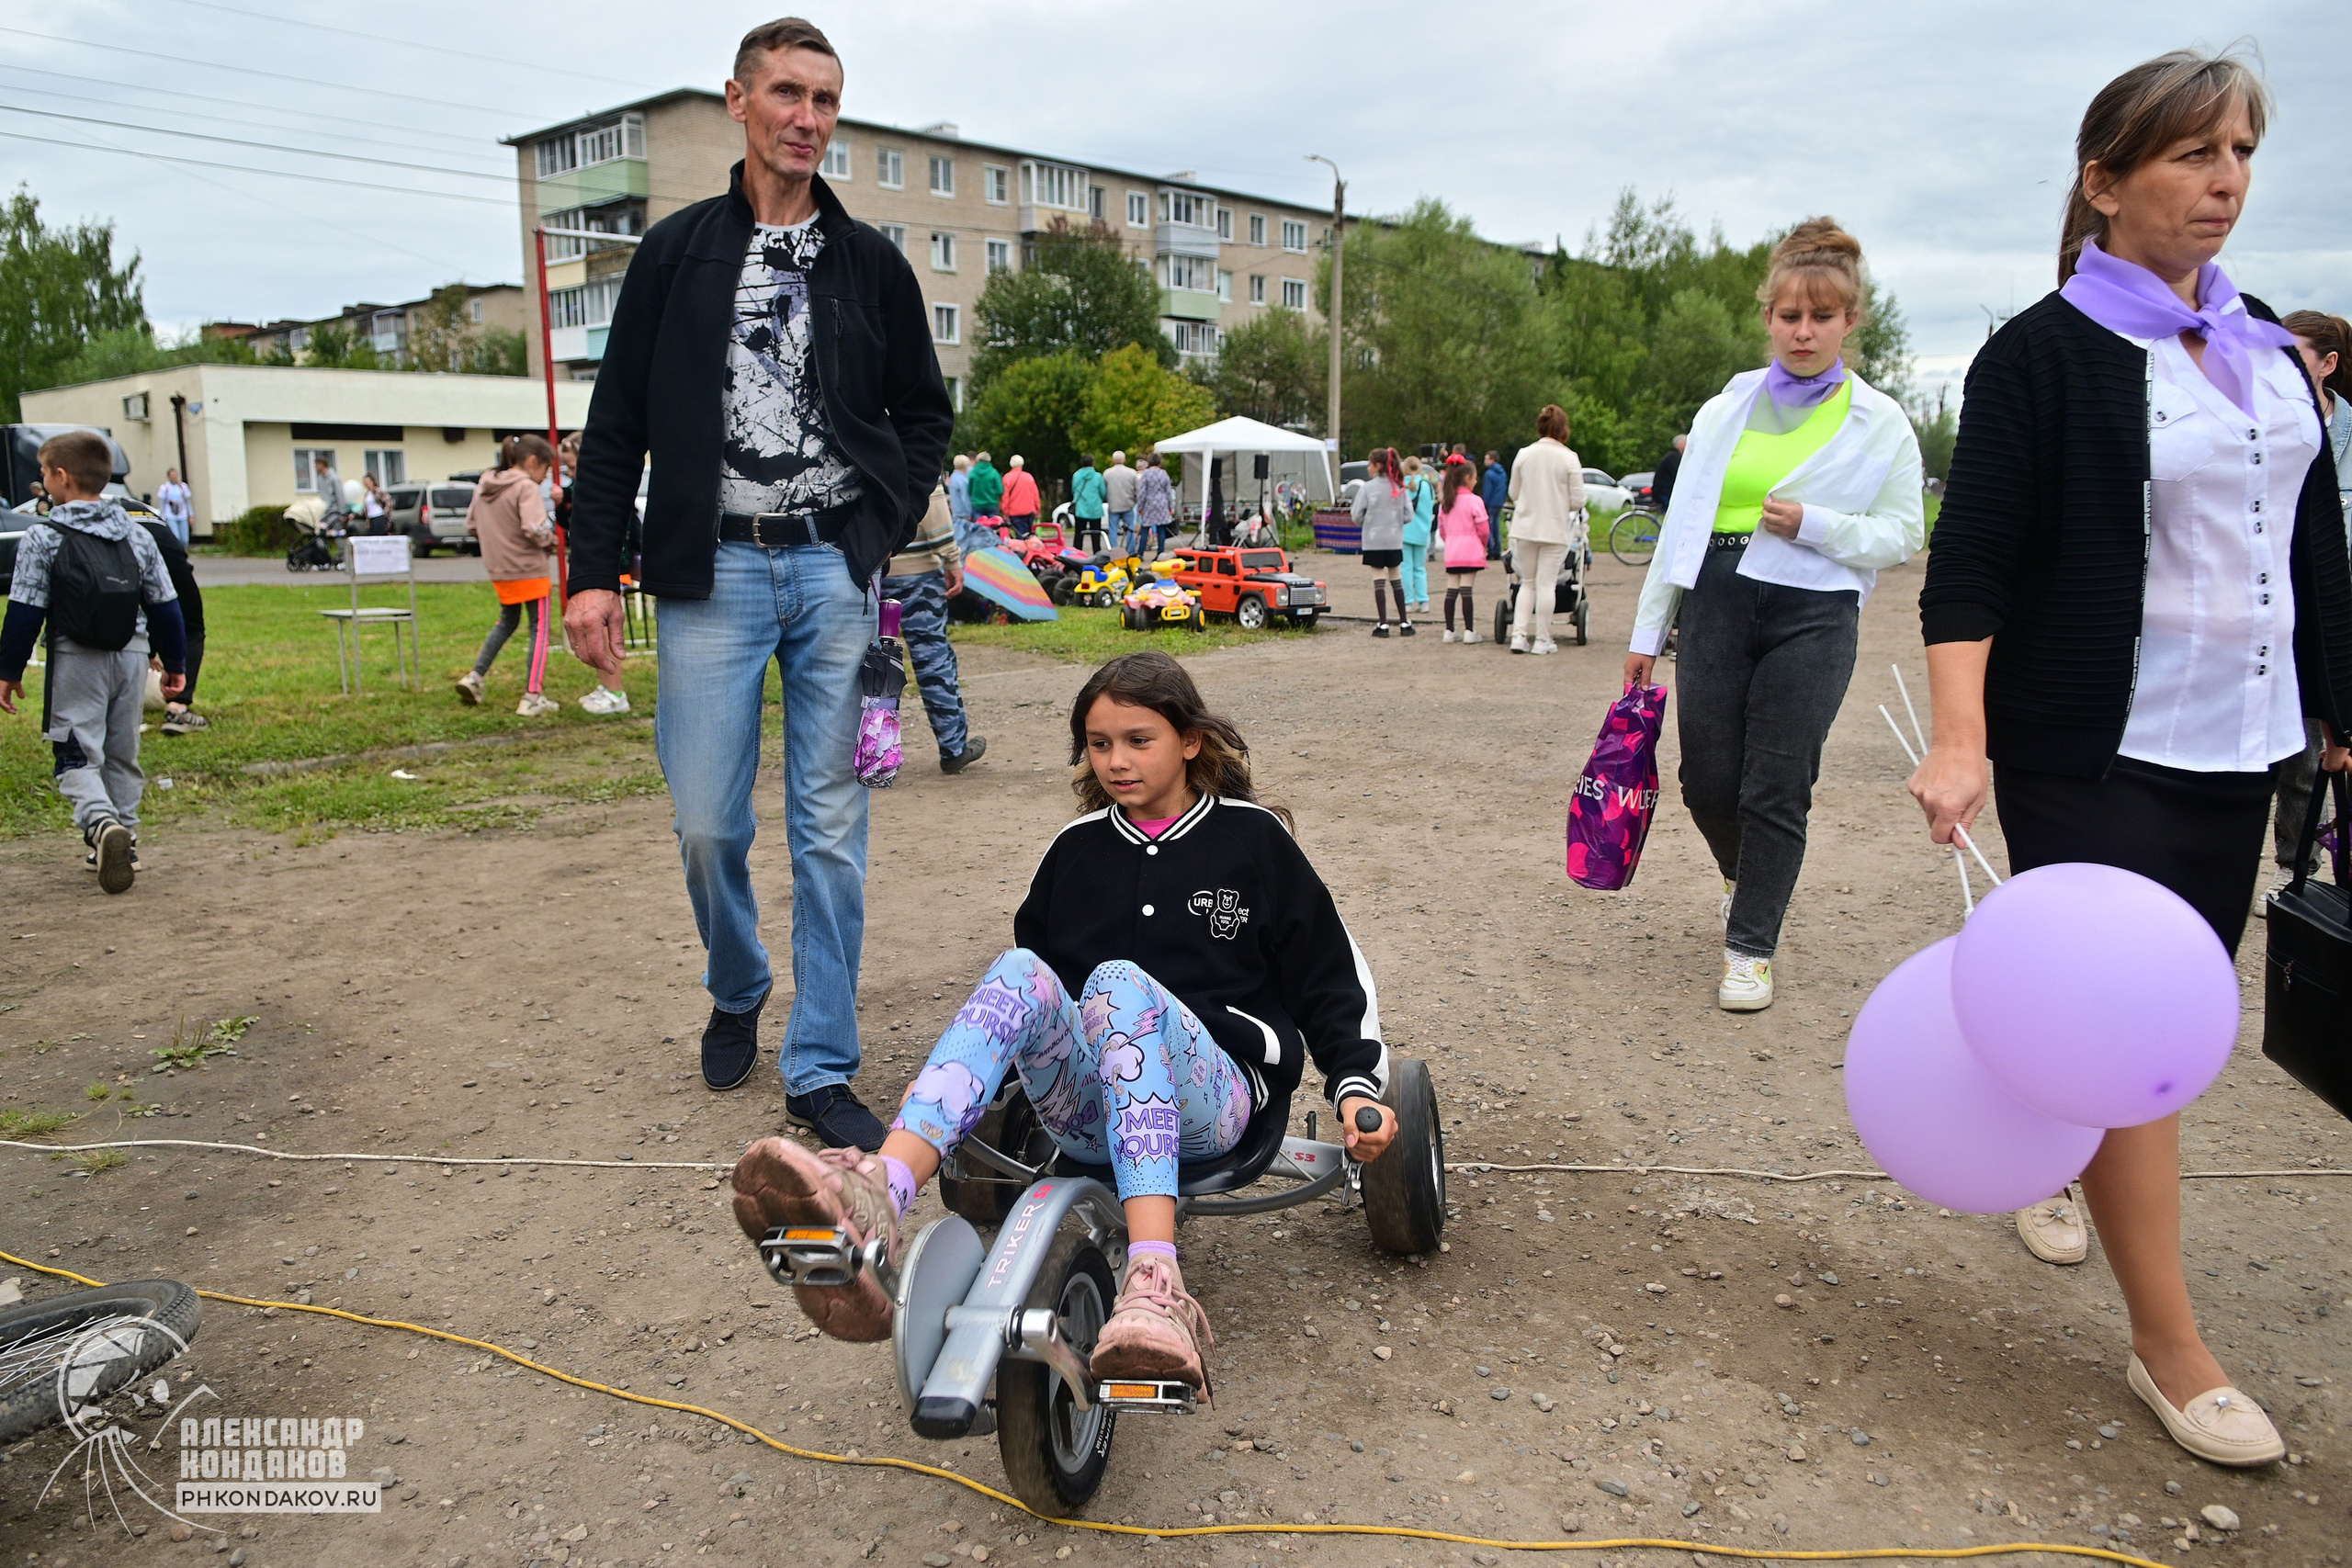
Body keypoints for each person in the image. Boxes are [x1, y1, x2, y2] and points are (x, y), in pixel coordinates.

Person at [1910, 51, 2352, 1470]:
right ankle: (2173, 1344)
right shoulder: (2038, 354)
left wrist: (2339, 716)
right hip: (2093, 748)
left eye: (2239, 153)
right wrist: (1962, 743)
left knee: (2173, 1008)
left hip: (2249, 743)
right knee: (2137, 1049)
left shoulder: (2271, 349)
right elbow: (1969, 566)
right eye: (2190, 154)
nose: (2224, 180)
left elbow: (2316, 550)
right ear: (2105, 180)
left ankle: (2053, 1139)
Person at [728, 650, 1396, 1387]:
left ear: (1191, 740)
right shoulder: (1075, 851)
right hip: (1090, 1110)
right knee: (1018, 971)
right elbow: (1032, 1003)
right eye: (1100, 744)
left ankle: (1156, 1282)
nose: (1116, 761)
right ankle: (881, 1194)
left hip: (1219, 1100)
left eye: (1139, 740)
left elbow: (1329, 972)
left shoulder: (1254, 840)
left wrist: (1358, 1085)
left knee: (1117, 986)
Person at [561, 16, 955, 1146]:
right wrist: (592, 575)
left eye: (826, 101)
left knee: (831, 831)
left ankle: (820, 1058)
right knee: (705, 825)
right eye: (787, 94)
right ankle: (737, 984)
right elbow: (616, 424)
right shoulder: (677, 254)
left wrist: (875, 523)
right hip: (709, 573)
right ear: (738, 100)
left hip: (832, 572)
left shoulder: (870, 265)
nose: (808, 120)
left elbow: (923, 413)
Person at [1624, 220, 1924, 1011]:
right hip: (1719, 595)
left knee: (1777, 784)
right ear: (1768, 317)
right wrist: (1646, 633)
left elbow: (1905, 531)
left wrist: (1819, 525)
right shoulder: (1727, 406)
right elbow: (1681, 524)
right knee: (1705, 781)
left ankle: (1750, 944)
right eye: (1790, 315)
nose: (1804, 330)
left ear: (1849, 322)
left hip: (1815, 607)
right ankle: (1743, 875)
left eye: (1822, 317)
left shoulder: (1882, 420)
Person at [0, 431, 187, 894]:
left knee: (75, 752)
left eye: (43, 473)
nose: (41, 481)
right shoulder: (137, 532)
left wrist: (9, 670)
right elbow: (166, 604)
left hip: (74, 657)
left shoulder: (44, 535)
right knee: (122, 751)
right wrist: (176, 661)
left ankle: (102, 826)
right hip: (133, 655)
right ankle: (127, 838)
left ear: (61, 477)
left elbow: (25, 609)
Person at [2264, 309, 2352, 898]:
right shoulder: (2262, 427)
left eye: (2297, 356)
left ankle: (2303, 874)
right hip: (2271, 608)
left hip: (2331, 613)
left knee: (2314, 751)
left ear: (2328, 364)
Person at [883, 482, 988, 774]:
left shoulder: (862, 442)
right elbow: (934, 511)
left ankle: (876, 755)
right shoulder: (915, 442)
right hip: (918, 574)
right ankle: (953, 748)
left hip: (870, 571)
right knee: (933, 660)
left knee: (875, 665)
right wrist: (952, 558)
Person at [456, 434, 562, 718]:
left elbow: (471, 525)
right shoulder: (525, 487)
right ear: (531, 462)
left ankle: (475, 677)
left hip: (500, 569)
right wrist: (551, 539)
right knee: (539, 630)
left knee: (507, 622)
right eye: (545, 470)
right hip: (529, 569)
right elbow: (533, 528)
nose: (544, 479)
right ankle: (533, 696)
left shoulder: (484, 485)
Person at [1505, 407, 1585, 654]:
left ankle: (1518, 636)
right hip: (1554, 529)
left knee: (1527, 583)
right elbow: (1578, 500)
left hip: (1525, 527)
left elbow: (1514, 493)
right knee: (1546, 584)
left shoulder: (1524, 454)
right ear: (1563, 429)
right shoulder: (1569, 457)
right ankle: (1542, 640)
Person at [133, 505, 209, 737]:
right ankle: (178, 709)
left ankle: (119, 708)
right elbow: (162, 607)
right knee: (191, 628)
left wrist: (150, 651)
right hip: (169, 553)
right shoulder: (148, 515)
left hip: (114, 557)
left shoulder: (99, 513)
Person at [1351, 447, 1414, 636]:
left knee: (1379, 579)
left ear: (1377, 466)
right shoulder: (1400, 487)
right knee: (1396, 579)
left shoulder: (1367, 488)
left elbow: (1356, 515)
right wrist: (1394, 522)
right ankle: (1404, 623)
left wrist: (1369, 523)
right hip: (1394, 540)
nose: (1368, 468)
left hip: (1373, 541)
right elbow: (1409, 515)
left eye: (1370, 464)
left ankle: (1383, 623)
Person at [1435, 456, 1491, 643]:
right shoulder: (1475, 501)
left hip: (1452, 552)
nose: (1476, 482)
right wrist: (1483, 546)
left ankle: (1449, 630)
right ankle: (1469, 631)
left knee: (1451, 589)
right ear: (1468, 478)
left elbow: (1442, 530)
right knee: (1467, 590)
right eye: (1475, 478)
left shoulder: (1446, 502)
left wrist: (1450, 541)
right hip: (1471, 551)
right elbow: (1483, 530)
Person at [1399, 455, 1435, 615]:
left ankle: (1407, 602)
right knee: (1420, 569)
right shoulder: (1428, 486)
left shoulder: (1401, 486)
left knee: (1405, 568)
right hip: (1422, 532)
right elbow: (1432, 507)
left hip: (1404, 532)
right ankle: (1424, 601)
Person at [1136, 451, 1173, 559]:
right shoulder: (1164, 473)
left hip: (1149, 503)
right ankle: (1160, 552)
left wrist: (1140, 507)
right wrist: (1170, 507)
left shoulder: (1146, 474)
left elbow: (1142, 492)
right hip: (1162, 503)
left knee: (1145, 529)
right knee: (1161, 529)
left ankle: (1140, 553)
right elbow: (1168, 492)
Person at [1102, 450, 1139, 556]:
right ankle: (1131, 551)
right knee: (1131, 529)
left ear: (1113, 460)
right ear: (1124, 460)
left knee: (1113, 529)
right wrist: (1135, 501)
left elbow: (1104, 490)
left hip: (1113, 506)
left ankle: (1114, 551)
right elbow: (1137, 490)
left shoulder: (1107, 473)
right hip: (1128, 505)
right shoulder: (1132, 472)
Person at [1069, 453, 1106, 552]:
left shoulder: (1077, 475)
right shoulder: (1098, 476)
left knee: (1078, 534)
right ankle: (1097, 555)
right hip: (1095, 509)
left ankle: (1077, 555)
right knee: (1096, 535)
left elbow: (1073, 490)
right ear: (1093, 463)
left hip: (1080, 508)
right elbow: (1103, 492)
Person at [1000, 454, 1040, 538]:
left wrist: (1005, 512)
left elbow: (1005, 497)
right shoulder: (1029, 477)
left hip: (1015, 512)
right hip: (1030, 511)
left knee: (1020, 535)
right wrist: (1037, 509)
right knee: (1029, 535)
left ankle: (1021, 551)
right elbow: (1035, 495)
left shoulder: (1007, 478)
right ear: (1022, 464)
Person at [1479, 450, 1509, 561]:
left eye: (1487, 459)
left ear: (1492, 460)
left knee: (1489, 527)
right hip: (1499, 502)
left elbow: (1487, 491)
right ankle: (1498, 549)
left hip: (1491, 503)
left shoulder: (1489, 474)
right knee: (1496, 526)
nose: (1485, 461)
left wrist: (1485, 503)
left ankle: (1491, 550)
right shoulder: (1502, 473)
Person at [155, 467, 192, 547]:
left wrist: (191, 515)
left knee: (185, 539)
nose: (174, 477)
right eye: (172, 475)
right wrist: (161, 517)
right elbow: (162, 504)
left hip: (182, 515)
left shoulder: (183, 487)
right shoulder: (165, 488)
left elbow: (188, 502)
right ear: (168, 477)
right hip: (170, 516)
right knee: (176, 537)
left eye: (176, 475)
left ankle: (184, 552)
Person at [1651, 434, 1687, 513]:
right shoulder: (1673, 457)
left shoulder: (1673, 456)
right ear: (1680, 445)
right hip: (1664, 493)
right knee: (1675, 511)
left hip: (1663, 491)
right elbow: (1679, 474)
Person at [967, 449, 1003, 526]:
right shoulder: (994, 472)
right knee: (994, 527)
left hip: (978, 505)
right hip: (992, 504)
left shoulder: (973, 473)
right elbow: (1000, 490)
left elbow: (969, 490)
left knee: (980, 529)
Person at [311, 455, 346, 528]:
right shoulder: (320, 478)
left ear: (321, 465)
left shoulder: (334, 478)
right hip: (324, 513)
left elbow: (340, 495)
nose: (315, 467)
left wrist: (342, 512)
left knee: (336, 534)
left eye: (316, 465)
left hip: (334, 512)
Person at [360, 472, 390, 536]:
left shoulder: (378, 491)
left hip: (379, 516)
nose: (366, 484)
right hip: (371, 518)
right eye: (365, 482)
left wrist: (385, 513)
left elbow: (389, 502)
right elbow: (365, 508)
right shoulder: (367, 494)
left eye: (367, 482)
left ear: (372, 482)